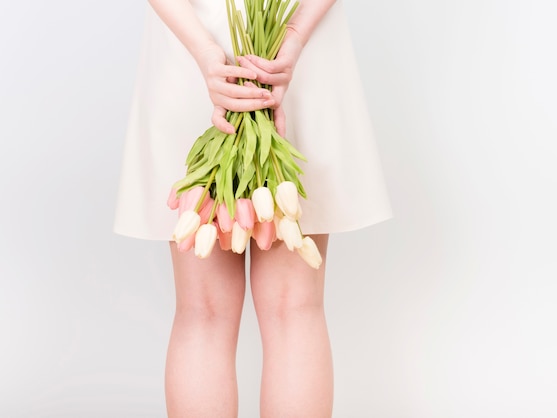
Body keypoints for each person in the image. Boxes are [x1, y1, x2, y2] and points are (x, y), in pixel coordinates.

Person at [113, 0, 392, 416]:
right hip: (294, 45)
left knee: (202, 313)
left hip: (191, 39)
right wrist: (294, 36)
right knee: (293, 309)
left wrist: (207, 54)